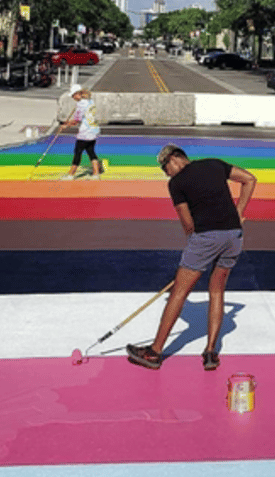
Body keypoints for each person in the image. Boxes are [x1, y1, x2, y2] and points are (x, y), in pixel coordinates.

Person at [126, 144, 257, 371]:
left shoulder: (176, 183)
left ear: (174, 160)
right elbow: (249, 179)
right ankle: (210, 352)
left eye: (164, 169)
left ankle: (154, 352)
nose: (166, 174)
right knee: (216, 291)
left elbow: (188, 224)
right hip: (234, 236)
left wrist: (197, 249)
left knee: (179, 291)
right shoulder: (214, 164)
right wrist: (238, 214)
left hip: (206, 238)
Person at [59, 83, 102, 180]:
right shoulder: (90, 101)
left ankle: (70, 175)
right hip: (94, 131)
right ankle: (96, 174)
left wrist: (65, 125)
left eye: (73, 96)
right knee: (91, 152)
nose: (73, 98)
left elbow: (76, 121)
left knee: (78, 152)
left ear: (77, 94)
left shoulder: (81, 105)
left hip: (85, 133)